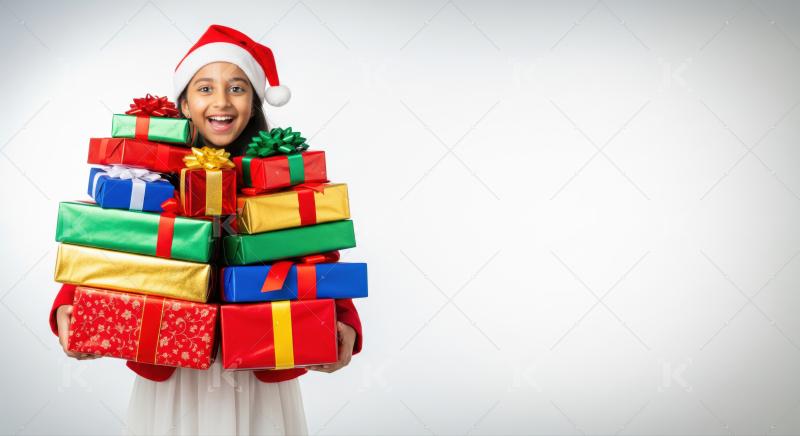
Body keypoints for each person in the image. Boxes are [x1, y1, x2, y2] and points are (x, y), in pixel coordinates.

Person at [48, 24, 363, 435]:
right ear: (183, 102)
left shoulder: (282, 175)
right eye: (205, 88)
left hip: (259, 365)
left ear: (253, 102)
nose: (221, 102)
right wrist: (68, 306)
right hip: (171, 362)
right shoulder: (149, 174)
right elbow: (109, 239)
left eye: (237, 88)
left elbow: (315, 254)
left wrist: (344, 322)